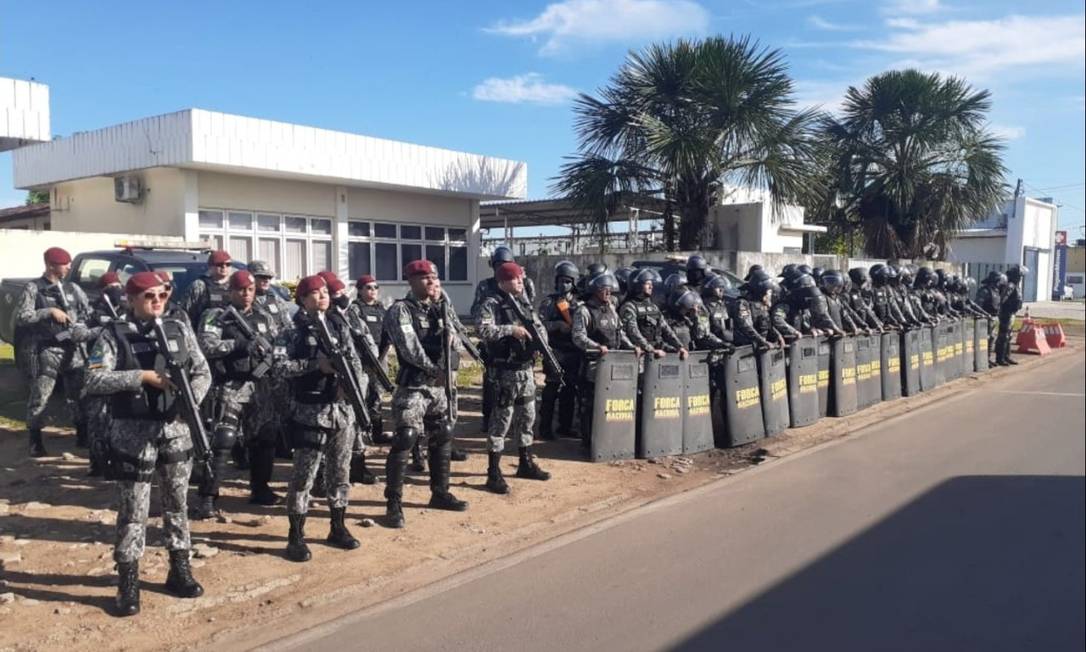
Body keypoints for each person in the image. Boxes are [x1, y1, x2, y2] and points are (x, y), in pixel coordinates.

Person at [84, 271, 210, 616]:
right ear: (131, 299)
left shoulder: (179, 328)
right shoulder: (113, 334)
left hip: (175, 430)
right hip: (133, 434)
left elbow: (202, 371)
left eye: (162, 296)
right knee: (134, 512)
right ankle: (128, 580)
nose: (157, 301)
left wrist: (189, 401)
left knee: (176, 505)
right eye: (148, 296)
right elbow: (93, 377)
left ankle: (179, 569)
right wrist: (141, 377)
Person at [277, 275, 364, 561]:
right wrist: (316, 365)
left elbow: (354, 361)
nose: (322, 297)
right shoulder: (291, 331)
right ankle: (296, 536)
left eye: (324, 291)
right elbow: (279, 367)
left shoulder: (340, 323)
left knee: (340, 473)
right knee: (304, 476)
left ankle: (337, 527)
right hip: (309, 412)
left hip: (341, 411)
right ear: (302, 299)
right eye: (314, 293)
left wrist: (352, 388)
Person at [381, 260, 469, 528]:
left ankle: (439, 492)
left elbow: (458, 335)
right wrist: (435, 370)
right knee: (406, 437)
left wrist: (447, 307)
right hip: (414, 386)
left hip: (438, 387)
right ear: (411, 280)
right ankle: (393, 503)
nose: (432, 282)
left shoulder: (440, 307)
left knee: (443, 433)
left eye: (434, 277)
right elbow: (409, 349)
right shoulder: (400, 310)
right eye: (425, 278)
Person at [192, 270, 282, 519]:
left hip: (259, 386)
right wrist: (238, 345)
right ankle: (207, 498)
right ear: (230, 291)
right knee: (223, 440)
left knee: (265, 438)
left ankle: (260, 489)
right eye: (241, 289)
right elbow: (205, 346)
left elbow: (277, 344)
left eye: (250, 289)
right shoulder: (215, 316)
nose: (246, 294)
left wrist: (273, 356)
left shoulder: (263, 317)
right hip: (229, 386)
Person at [476, 262, 552, 494]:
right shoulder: (491, 303)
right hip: (504, 372)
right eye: (516, 278)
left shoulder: (524, 302)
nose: (520, 282)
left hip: (525, 371)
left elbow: (538, 326)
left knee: (527, 417)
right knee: (501, 421)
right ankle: (493, 472)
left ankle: (525, 463)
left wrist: (541, 345)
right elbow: (482, 329)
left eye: (521, 278)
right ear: (503, 281)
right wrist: (511, 330)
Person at [14, 247, 95, 457]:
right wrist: (48, 311)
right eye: (64, 263)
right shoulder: (34, 288)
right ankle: (35, 440)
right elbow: (22, 317)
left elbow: (89, 313)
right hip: (47, 350)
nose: (69, 266)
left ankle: (82, 435)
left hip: (73, 350)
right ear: (51, 265)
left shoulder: (73, 288)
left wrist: (82, 328)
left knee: (77, 396)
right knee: (41, 396)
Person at [471, 246, 536, 433]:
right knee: (492, 386)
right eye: (498, 264)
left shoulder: (524, 283)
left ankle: (517, 425)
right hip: (496, 342)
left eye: (506, 264)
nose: (502, 267)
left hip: (519, 343)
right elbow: (476, 312)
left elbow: (528, 309)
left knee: (522, 390)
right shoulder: (486, 286)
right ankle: (488, 420)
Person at [572, 273, 637, 450]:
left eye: (610, 289)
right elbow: (578, 337)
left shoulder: (611, 308)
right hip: (593, 367)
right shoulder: (583, 310)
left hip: (614, 365)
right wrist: (597, 347)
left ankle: (611, 441)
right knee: (590, 407)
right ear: (594, 290)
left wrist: (632, 347)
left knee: (614, 404)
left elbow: (619, 332)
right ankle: (589, 444)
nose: (609, 292)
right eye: (604, 289)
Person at [329, 276, 380, 486]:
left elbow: (367, 339)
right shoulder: (323, 320)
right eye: (337, 294)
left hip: (359, 377)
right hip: (335, 382)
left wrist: (372, 359)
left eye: (343, 293)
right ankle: (329, 476)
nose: (342, 297)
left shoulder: (350, 314)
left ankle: (358, 468)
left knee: (358, 420)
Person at [86, 272, 127, 477]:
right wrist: (106, 328)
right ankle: (97, 462)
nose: (116, 289)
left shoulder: (128, 310)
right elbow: (78, 333)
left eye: (118, 285)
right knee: (97, 420)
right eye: (111, 286)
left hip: (123, 371)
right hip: (99, 367)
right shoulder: (92, 311)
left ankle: (118, 461)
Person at [537, 261, 582, 440]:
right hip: (555, 351)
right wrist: (558, 325)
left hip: (573, 352)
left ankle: (565, 426)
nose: (564, 285)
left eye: (568, 281)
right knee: (551, 390)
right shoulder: (549, 302)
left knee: (569, 392)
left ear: (574, 283)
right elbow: (539, 325)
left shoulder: (579, 303)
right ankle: (545, 428)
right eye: (561, 281)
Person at [353, 274, 392, 445]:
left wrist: (382, 356)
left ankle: (377, 432)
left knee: (377, 395)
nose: (373, 291)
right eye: (368, 287)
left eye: (375, 287)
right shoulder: (355, 309)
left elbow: (388, 334)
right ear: (359, 290)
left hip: (379, 359)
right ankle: (359, 435)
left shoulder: (381, 309)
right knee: (360, 395)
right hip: (361, 360)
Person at [620, 268, 688, 358]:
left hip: (657, 351)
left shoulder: (653, 307)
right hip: (640, 355)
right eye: (647, 284)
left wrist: (679, 347)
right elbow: (633, 333)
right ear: (638, 285)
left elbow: (666, 329)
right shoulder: (629, 307)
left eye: (651, 284)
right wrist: (651, 350)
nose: (651, 287)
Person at [731, 272, 785, 351]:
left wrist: (778, 336)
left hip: (759, 348)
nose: (770, 295)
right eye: (769, 292)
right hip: (745, 350)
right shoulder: (743, 304)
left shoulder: (761, 306)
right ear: (761, 291)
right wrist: (762, 341)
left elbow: (767, 324)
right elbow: (747, 326)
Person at [178, 250, 233, 325]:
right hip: (204, 332)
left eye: (228, 264)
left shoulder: (236, 285)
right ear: (211, 266)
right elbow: (185, 314)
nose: (224, 267)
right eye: (219, 264)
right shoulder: (199, 285)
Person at [995, 265, 1026, 366]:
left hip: (1012, 313)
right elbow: (1003, 299)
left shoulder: (1015, 285)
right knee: (1003, 336)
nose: (1020, 279)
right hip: (1006, 314)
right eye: (1019, 276)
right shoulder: (1010, 285)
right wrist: (1000, 311)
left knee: (1009, 336)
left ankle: (1007, 356)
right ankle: (1000, 358)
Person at [700, 274, 735, 346]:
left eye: (722, 287)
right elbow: (704, 333)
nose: (722, 290)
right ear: (709, 288)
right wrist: (721, 343)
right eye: (718, 287)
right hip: (711, 348)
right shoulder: (703, 308)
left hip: (727, 346)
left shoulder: (722, 305)